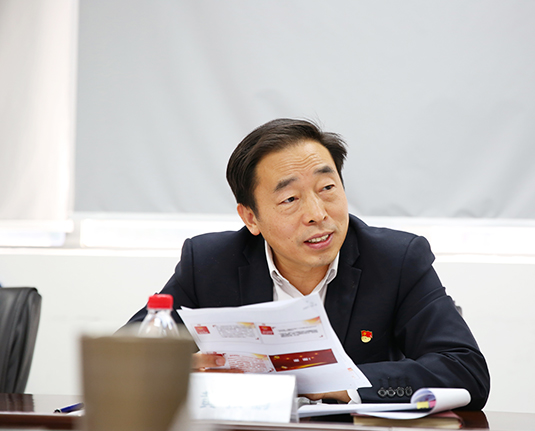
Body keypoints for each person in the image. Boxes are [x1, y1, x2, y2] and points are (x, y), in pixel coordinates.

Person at [126, 118, 490, 409]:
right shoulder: (208, 263)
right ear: (251, 217)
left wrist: (341, 385)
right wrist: (176, 374)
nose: (317, 214)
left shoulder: (396, 260)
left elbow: (465, 370)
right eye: (290, 199)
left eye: (327, 188)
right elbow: (123, 362)